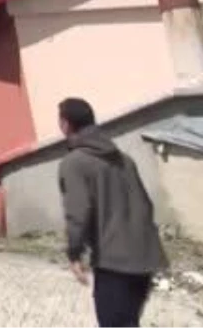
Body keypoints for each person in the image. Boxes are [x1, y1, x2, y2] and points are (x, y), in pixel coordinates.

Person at [57, 97, 167, 328]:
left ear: (65, 124)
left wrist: (74, 254)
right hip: (144, 260)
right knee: (129, 322)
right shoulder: (125, 160)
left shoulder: (74, 163)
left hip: (114, 264)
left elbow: (78, 212)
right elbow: (145, 205)